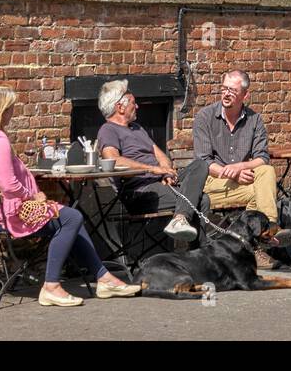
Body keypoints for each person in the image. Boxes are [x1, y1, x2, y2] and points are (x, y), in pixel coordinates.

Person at [0, 86, 139, 307]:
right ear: (1, 110)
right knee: (71, 218)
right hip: (2, 214)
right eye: (10, 109)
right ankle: (52, 286)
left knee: (71, 218)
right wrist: (33, 196)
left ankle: (104, 278)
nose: (12, 113)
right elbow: (8, 186)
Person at [95, 79, 207, 242]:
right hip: (140, 191)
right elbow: (113, 160)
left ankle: (180, 220)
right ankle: (198, 253)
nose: (137, 106)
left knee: (201, 164)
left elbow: (160, 154)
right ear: (120, 107)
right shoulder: (108, 130)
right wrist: (152, 169)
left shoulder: (137, 128)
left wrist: (165, 171)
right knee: (203, 199)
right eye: (133, 103)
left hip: (161, 183)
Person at [192, 70, 279, 238]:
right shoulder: (205, 117)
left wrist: (240, 167)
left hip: (240, 184)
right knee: (263, 194)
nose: (226, 94)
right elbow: (204, 161)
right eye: (224, 89)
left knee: (266, 172)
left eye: (232, 90)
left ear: (245, 95)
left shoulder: (254, 120)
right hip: (212, 183)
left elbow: (262, 158)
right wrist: (232, 175)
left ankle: (263, 233)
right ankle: (266, 234)